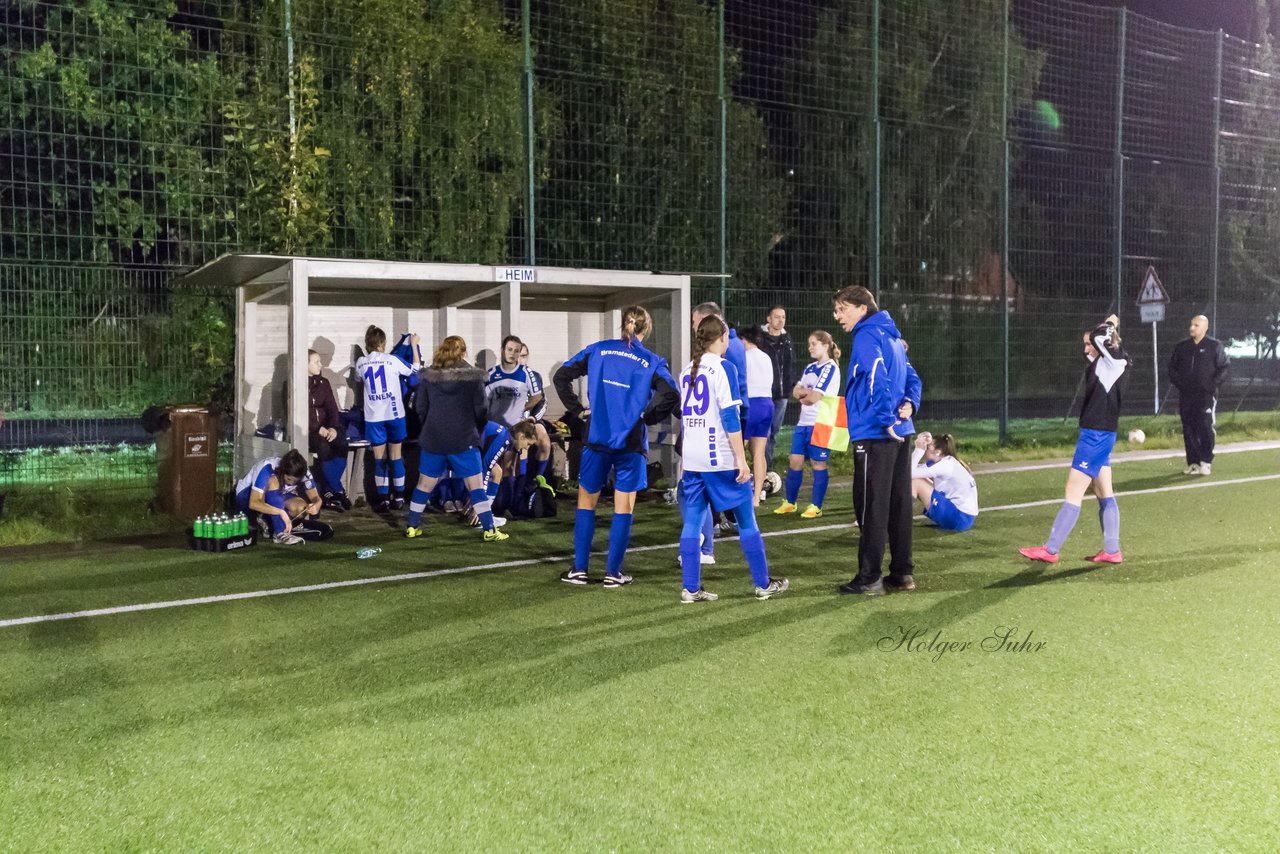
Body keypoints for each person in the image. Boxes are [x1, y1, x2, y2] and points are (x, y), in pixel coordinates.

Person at [554, 305, 680, 587]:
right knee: (624, 507)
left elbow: (561, 377)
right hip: (630, 441)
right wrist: (648, 417)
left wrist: (577, 410)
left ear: (623, 324)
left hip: (596, 436)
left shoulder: (598, 350)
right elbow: (670, 394)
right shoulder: (652, 360)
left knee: (587, 502)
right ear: (646, 329)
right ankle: (613, 573)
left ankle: (580, 569)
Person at [676, 315, 789, 603]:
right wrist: (741, 458)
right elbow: (729, 416)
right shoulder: (724, 368)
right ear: (722, 338)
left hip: (692, 458)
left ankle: (690, 588)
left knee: (692, 522)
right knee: (746, 520)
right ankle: (763, 584)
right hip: (720, 458)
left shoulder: (687, 369)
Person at [833, 285, 923, 596]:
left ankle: (869, 577)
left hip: (876, 432)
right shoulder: (893, 337)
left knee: (871, 505)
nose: (837, 316)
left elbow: (875, 377)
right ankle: (901, 573)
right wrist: (909, 404)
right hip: (902, 430)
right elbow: (912, 377)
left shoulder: (867, 335)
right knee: (899, 503)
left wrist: (885, 421)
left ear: (861, 308)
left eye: (842, 309)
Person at [1020, 315, 1130, 565]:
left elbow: (1099, 336)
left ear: (1104, 342)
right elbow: (1095, 342)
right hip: (1101, 434)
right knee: (1104, 492)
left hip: (1095, 435)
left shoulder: (1115, 361)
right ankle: (1112, 551)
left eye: (1089, 344)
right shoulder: (1105, 362)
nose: (1086, 349)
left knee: (1073, 490)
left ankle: (1051, 550)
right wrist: (1104, 333)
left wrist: (1110, 323)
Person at [404, 336, 510, 542]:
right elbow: (481, 410)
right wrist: (475, 430)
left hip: (433, 439)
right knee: (476, 486)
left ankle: (412, 526)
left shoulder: (429, 377)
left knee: (423, 485)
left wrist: (431, 427)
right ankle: (489, 530)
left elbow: (420, 407)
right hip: (463, 439)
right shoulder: (472, 378)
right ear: (463, 352)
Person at [774, 330, 841, 519]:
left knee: (818, 463)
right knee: (794, 461)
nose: (810, 347)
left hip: (821, 422)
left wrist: (805, 394)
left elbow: (813, 397)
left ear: (825, 345)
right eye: (809, 343)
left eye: (814, 344)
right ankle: (790, 502)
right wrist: (805, 394)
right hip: (804, 422)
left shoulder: (830, 368)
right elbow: (796, 392)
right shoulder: (810, 367)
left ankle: (816, 506)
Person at [355, 325, 419, 512]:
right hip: (394, 415)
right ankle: (399, 497)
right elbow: (415, 370)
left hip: (374, 418)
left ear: (367, 344)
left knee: (379, 459)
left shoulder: (361, 362)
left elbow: (359, 380)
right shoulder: (392, 360)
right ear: (383, 344)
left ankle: (383, 499)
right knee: (396, 456)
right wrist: (413, 345)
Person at [1169, 314, 1229, 476]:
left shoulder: (1214, 346)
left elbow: (1224, 368)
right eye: (1191, 324)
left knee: (1205, 426)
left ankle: (1206, 461)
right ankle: (1193, 463)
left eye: (1196, 325)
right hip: (1186, 396)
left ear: (1205, 327)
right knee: (1188, 428)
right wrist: (1181, 384)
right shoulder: (1182, 347)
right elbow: (1172, 369)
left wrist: (1211, 385)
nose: (1192, 328)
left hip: (1206, 396)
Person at [234, 449, 322, 546]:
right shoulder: (267, 467)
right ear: (283, 471)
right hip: (247, 498)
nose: (291, 483)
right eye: (288, 479)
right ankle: (279, 532)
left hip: (276, 497)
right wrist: (281, 512)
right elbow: (254, 503)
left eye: (295, 481)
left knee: (301, 508)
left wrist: (316, 506)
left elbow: (316, 498)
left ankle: (270, 523)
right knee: (273, 481)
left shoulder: (305, 473)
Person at [307, 349, 350, 512]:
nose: (321, 365)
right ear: (306, 364)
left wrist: (333, 427)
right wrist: (318, 428)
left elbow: (332, 408)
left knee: (341, 442)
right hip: (311, 431)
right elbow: (301, 411)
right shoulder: (297, 384)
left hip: (327, 428)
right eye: (316, 362)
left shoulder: (323, 383)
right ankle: (337, 489)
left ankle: (330, 489)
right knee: (323, 447)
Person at [910, 431, 978, 532]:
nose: (925, 449)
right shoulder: (946, 462)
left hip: (959, 517)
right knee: (919, 479)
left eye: (928, 448)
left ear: (938, 452)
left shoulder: (945, 465)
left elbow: (909, 473)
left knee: (916, 482)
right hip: (963, 517)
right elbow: (911, 469)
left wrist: (919, 449)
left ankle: (899, 520)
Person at [738, 327, 775, 505]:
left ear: (744, 339)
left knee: (738, 452)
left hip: (750, 405)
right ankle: (757, 496)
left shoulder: (744, 356)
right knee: (759, 453)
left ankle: (738, 493)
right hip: (767, 404)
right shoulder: (765, 356)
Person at [759, 305, 797, 471]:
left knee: (773, 432)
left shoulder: (787, 339)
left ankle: (768, 468)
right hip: (764, 393)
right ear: (768, 319)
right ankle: (764, 469)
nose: (780, 320)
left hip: (782, 394)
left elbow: (791, 365)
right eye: (777, 317)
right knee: (764, 433)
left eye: (783, 317)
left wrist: (790, 386)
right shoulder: (760, 339)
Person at [486, 335, 544, 428]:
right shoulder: (491, 373)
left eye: (516, 351)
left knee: (543, 441)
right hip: (494, 425)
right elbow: (482, 399)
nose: (512, 354)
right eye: (509, 349)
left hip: (518, 426)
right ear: (502, 350)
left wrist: (522, 409)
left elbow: (538, 397)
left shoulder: (527, 372)